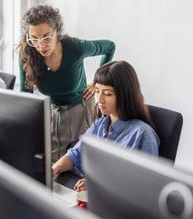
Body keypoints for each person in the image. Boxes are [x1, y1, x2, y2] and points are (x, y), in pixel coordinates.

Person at [19, 5, 115, 161]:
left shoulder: (75, 47)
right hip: (53, 113)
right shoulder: (27, 53)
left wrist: (97, 83)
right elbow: (26, 93)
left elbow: (109, 47)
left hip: (82, 110)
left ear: (57, 31)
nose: (40, 45)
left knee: (83, 162)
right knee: (53, 163)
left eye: (47, 37)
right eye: (34, 38)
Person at [52, 60, 160, 192]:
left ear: (125, 95)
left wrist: (97, 183)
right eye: (97, 91)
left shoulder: (143, 134)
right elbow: (75, 155)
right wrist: (53, 170)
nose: (99, 100)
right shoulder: (100, 124)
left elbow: (146, 186)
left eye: (107, 94)